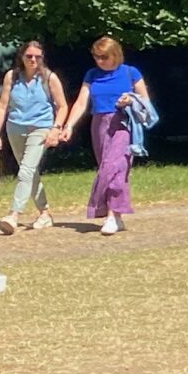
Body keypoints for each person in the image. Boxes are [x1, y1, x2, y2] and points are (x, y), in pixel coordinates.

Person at [54, 36, 151, 235]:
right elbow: (81, 103)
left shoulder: (131, 73)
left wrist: (131, 100)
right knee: (106, 168)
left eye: (104, 57)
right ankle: (116, 215)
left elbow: (146, 101)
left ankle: (111, 216)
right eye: (96, 57)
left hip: (123, 124)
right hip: (99, 125)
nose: (99, 61)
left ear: (115, 54)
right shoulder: (92, 75)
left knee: (113, 168)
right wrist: (69, 125)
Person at [0, 40, 67, 233]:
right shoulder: (12, 76)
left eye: (37, 57)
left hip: (40, 128)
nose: (33, 60)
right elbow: (2, 105)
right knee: (30, 173)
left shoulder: (49, 78)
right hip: (15, 128)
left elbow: (63, 106)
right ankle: (45, 213)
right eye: (29, 56)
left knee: (25, 171)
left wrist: (56, 129)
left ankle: (14, 214)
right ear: (21, 57)